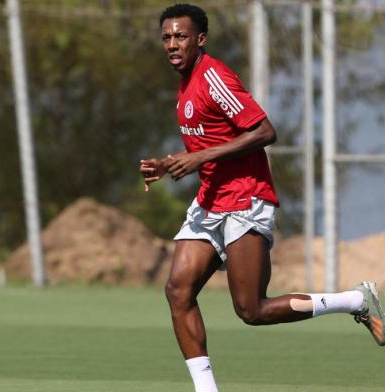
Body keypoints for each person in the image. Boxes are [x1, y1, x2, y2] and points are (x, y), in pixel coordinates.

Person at [139, 4, 385, 392]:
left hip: (246, 199)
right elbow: (208, 143)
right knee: (178, 290)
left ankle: (354, 300)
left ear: (200, 40)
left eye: (181, 36)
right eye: (167, 37)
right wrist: (169, 165)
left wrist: (197, 157)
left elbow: (264, 131)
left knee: (251, 310)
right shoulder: (184, 83)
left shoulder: (214, 76)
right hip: (210, 201)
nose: (172, 44)